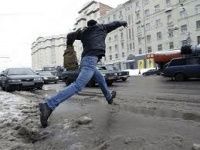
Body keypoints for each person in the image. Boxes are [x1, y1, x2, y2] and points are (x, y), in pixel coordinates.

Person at [39, 19, 128, 128]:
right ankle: (49, 105)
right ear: (96, 24)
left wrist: (78, 32)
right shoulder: (102, 28)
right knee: (78, 86)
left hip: (86, 60)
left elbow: (70, 35)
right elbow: (115, 24)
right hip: (90, 61)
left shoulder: (84, 32)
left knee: (100, 78)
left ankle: (109, 97)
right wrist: (123, 22)